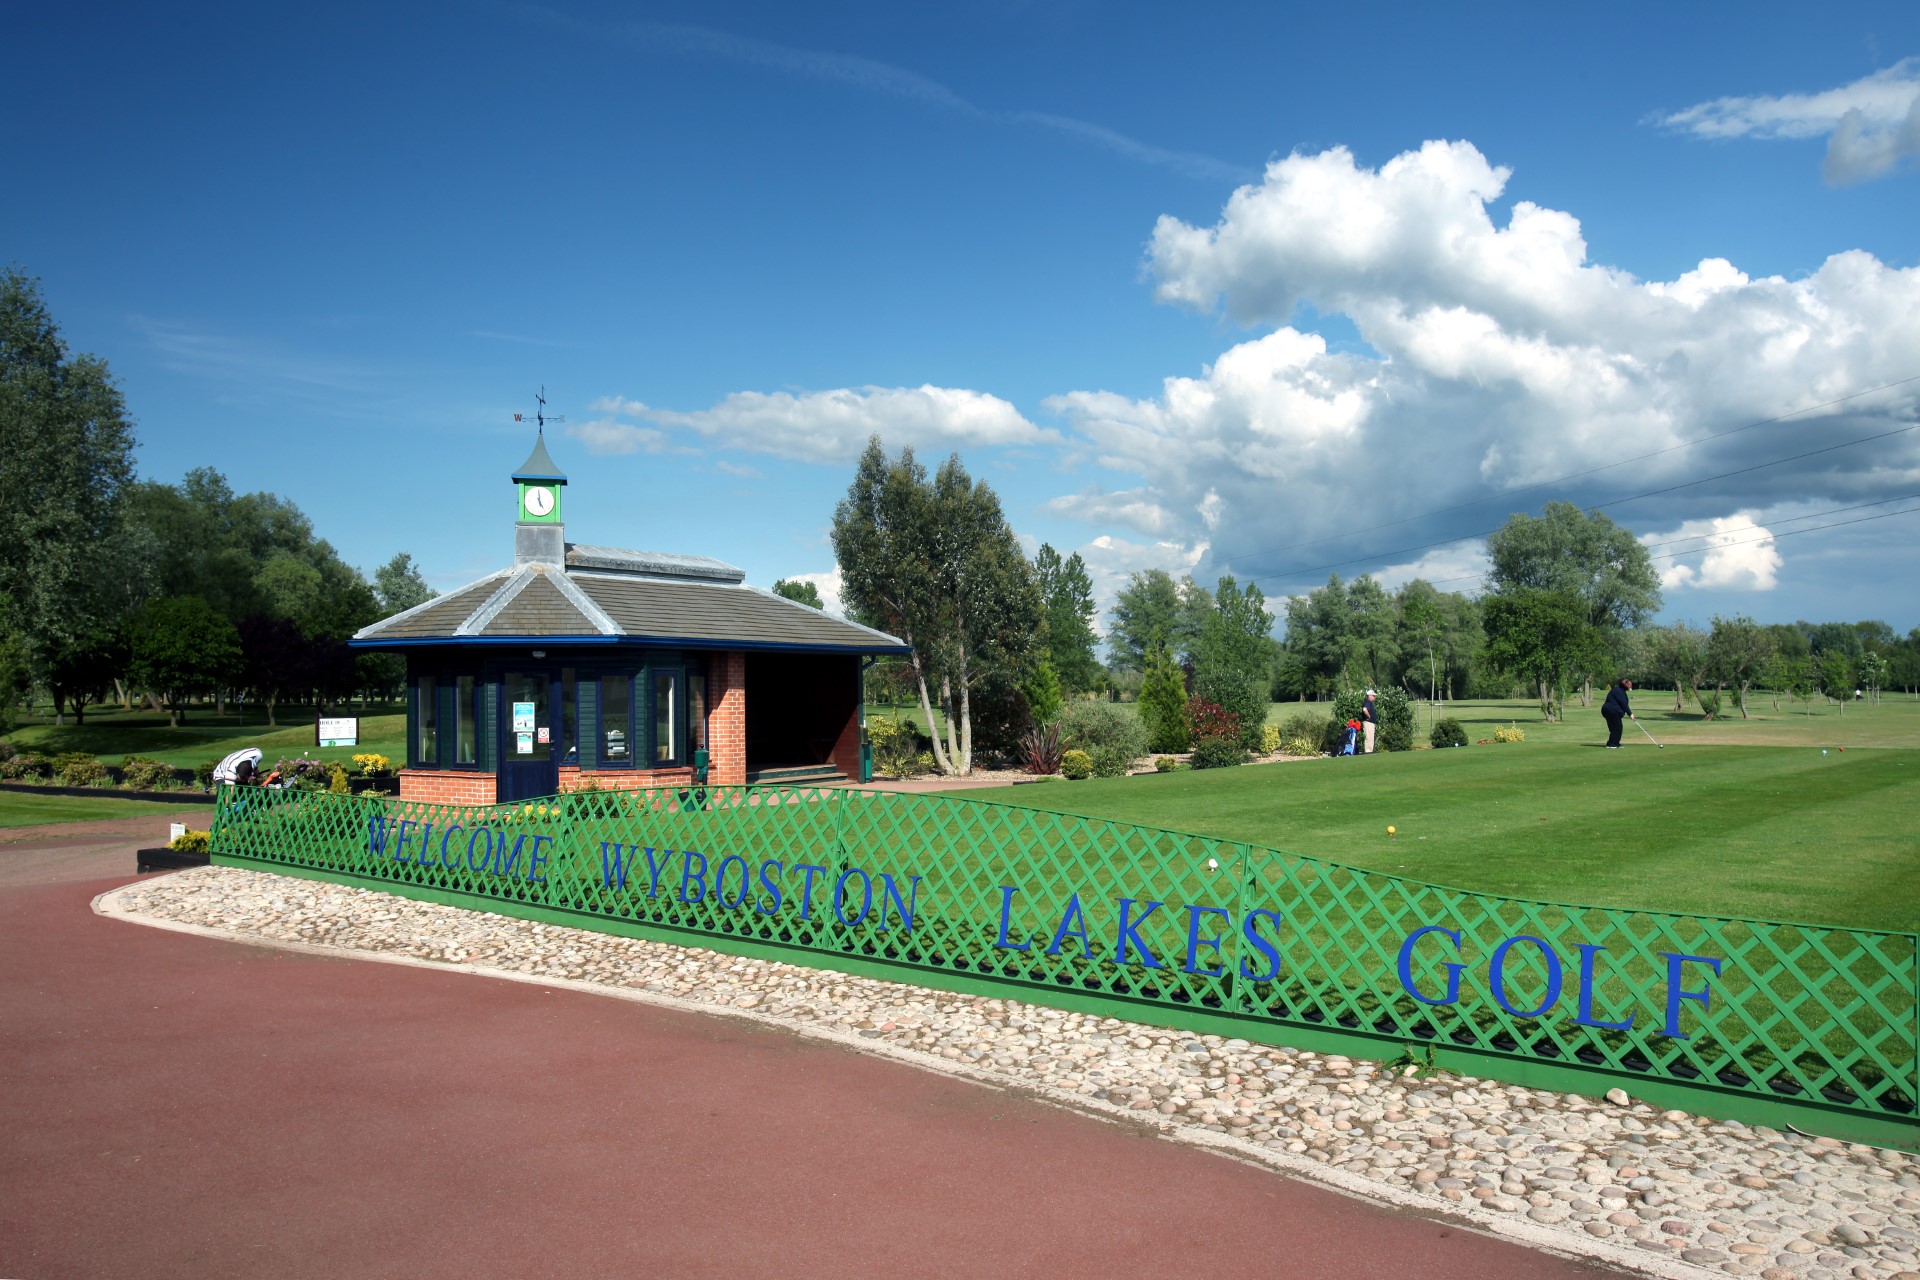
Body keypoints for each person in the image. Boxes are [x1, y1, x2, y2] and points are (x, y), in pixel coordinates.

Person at [1601, 677, 1634, 748]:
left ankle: (1614, 743)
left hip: (1608, 710)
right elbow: (1623, 704)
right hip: (1611, 710)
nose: (1629, 687)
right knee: (1617, 727)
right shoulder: (1619, 691)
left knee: (1615, 727)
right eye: (1628, 685)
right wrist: (1630, 714)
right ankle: (1612, 744)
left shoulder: (1618, 690)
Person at [1361, 689, 1378, 755]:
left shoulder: (1369, 702)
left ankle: (1370, 750)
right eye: (1373, 696)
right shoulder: (1367, 702)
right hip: (1368, 723)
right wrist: (1369, 716)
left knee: (1371, 737)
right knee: (1368, 737)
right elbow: (1364, 709)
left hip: (1371, 723)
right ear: (1370, 696)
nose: (1374, 697)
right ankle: (1368, 751)